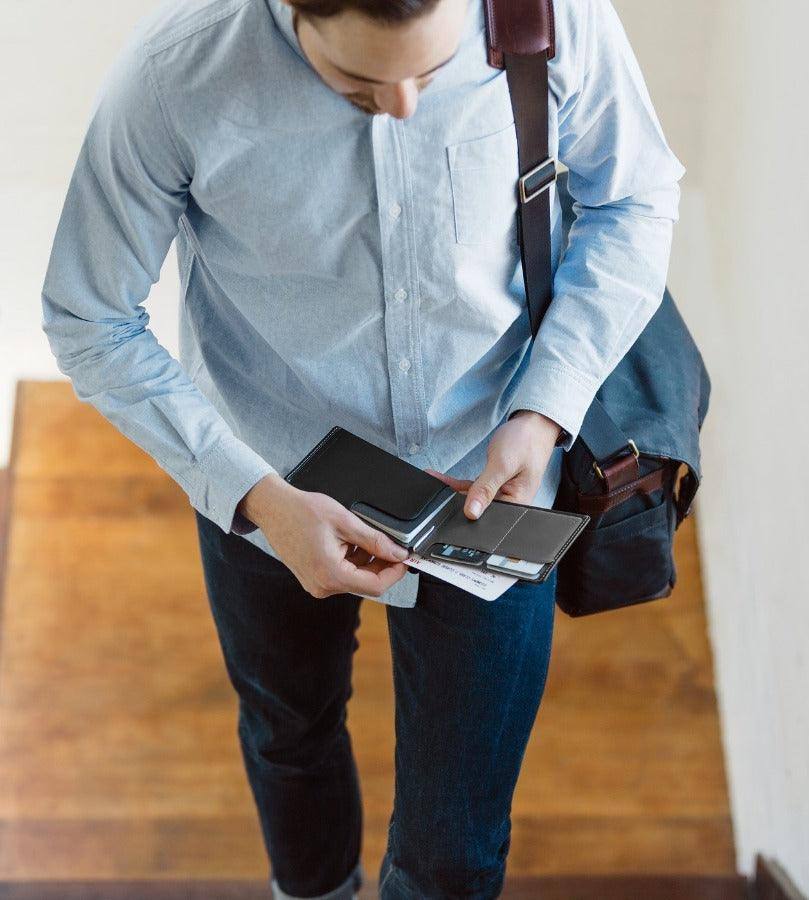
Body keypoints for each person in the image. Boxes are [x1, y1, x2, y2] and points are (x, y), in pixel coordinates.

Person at [40, 0, 684, 896]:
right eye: (357, 85)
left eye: (433, 72)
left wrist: (543, 411)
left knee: (455, 851)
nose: (407, 107)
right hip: (270, 478)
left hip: (492, 489)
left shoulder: (554, 16)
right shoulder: (173, 76)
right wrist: (256, 497)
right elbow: (87, 315)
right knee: (288, 734)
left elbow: (635, 197)